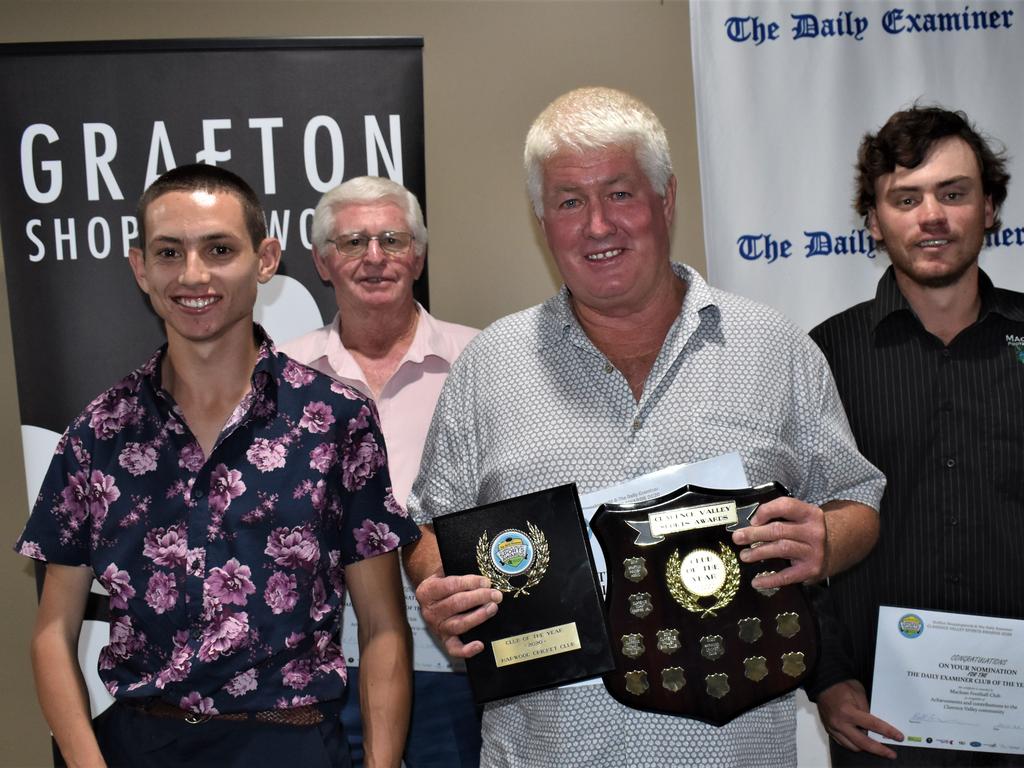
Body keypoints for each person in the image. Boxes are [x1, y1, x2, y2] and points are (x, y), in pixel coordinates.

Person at [402, 86, 886, 767]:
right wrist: (441, 591)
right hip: (546, 751)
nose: (597, 226)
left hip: (734, 751)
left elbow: (856, 495)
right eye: (569, 201)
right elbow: (427, 524)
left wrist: (827, 539)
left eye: (620, 194)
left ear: (667, 200)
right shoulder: (489, 366)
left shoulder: (774, 347)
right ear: (543, 220)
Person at [15, 164, 419, 768]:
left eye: (219, 249)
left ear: (265, 259)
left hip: (294, 743)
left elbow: (384, 625)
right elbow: (52, 633)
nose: (193, 275)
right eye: (169, 252)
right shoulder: (98, 433)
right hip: (140, 744)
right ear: (140, 268)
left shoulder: (336, 420)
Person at [810, 106, 1024, 766]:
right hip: (882, 729)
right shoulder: (823, 356)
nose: (932, 216)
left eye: (954, 193)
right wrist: (824, 678)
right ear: (875, 221)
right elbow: (798, 537)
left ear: (989, 208)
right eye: (907, 198)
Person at [280, 176, 481, 767]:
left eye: (392, 240)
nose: (374, 258)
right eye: (352, 243)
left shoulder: (481, 362)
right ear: (322, 261)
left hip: (451, 666)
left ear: (417, 255)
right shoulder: (277, 377)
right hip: (313, 671)